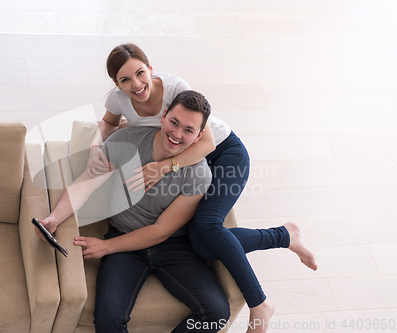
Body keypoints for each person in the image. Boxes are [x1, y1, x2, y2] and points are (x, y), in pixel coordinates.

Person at [37, 90, 314, 333]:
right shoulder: (127, 141)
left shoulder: (198, 174)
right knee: (108, 318)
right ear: (163, 116)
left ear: (200, 136)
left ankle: (282, 239)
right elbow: (85, 184)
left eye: (189, 130)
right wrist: (54, 218)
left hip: (173, 246)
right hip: (125, 241)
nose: (177, 134)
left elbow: (161, 231)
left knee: (216, 314)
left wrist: (107, 247)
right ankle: (284, 236)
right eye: (174, 122)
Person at [86, 43, 318, 333]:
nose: (136, 84)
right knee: (200, 242)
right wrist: (95, 147)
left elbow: (205, 142)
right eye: (125, 79)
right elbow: (107, 124)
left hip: (220, 153)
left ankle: (259, 303)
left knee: (205, 231)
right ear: (116, 83)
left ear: (150, 68)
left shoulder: (175, 89)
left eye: (140, 73)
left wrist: (165, 167)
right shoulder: (119, 100)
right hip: (186, 157)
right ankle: (284, 236)